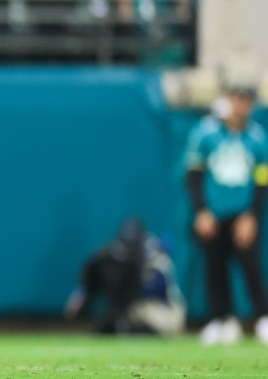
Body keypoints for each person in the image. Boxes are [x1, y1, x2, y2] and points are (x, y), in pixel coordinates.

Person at [185, 82, 268, 346]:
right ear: (228, 100)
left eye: (246, 100)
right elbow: (194, 174)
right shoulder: (206, 133)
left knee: (251, 268)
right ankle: (222, 319)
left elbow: (262, 180)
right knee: (215, 267)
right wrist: (201, 211)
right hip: (214, 212)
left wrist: (252, 215)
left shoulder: (257, 137)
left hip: (243, 213)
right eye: (237, 99)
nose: (240, 105)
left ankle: (263, 318)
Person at [64, 218, 186, 336]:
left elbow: (148, 292)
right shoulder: (114, 257)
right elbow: (94, 268)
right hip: (138, 311)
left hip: (163, 310)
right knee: (113, 323)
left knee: (133, 319)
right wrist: (81, 292)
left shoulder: (157, 262)